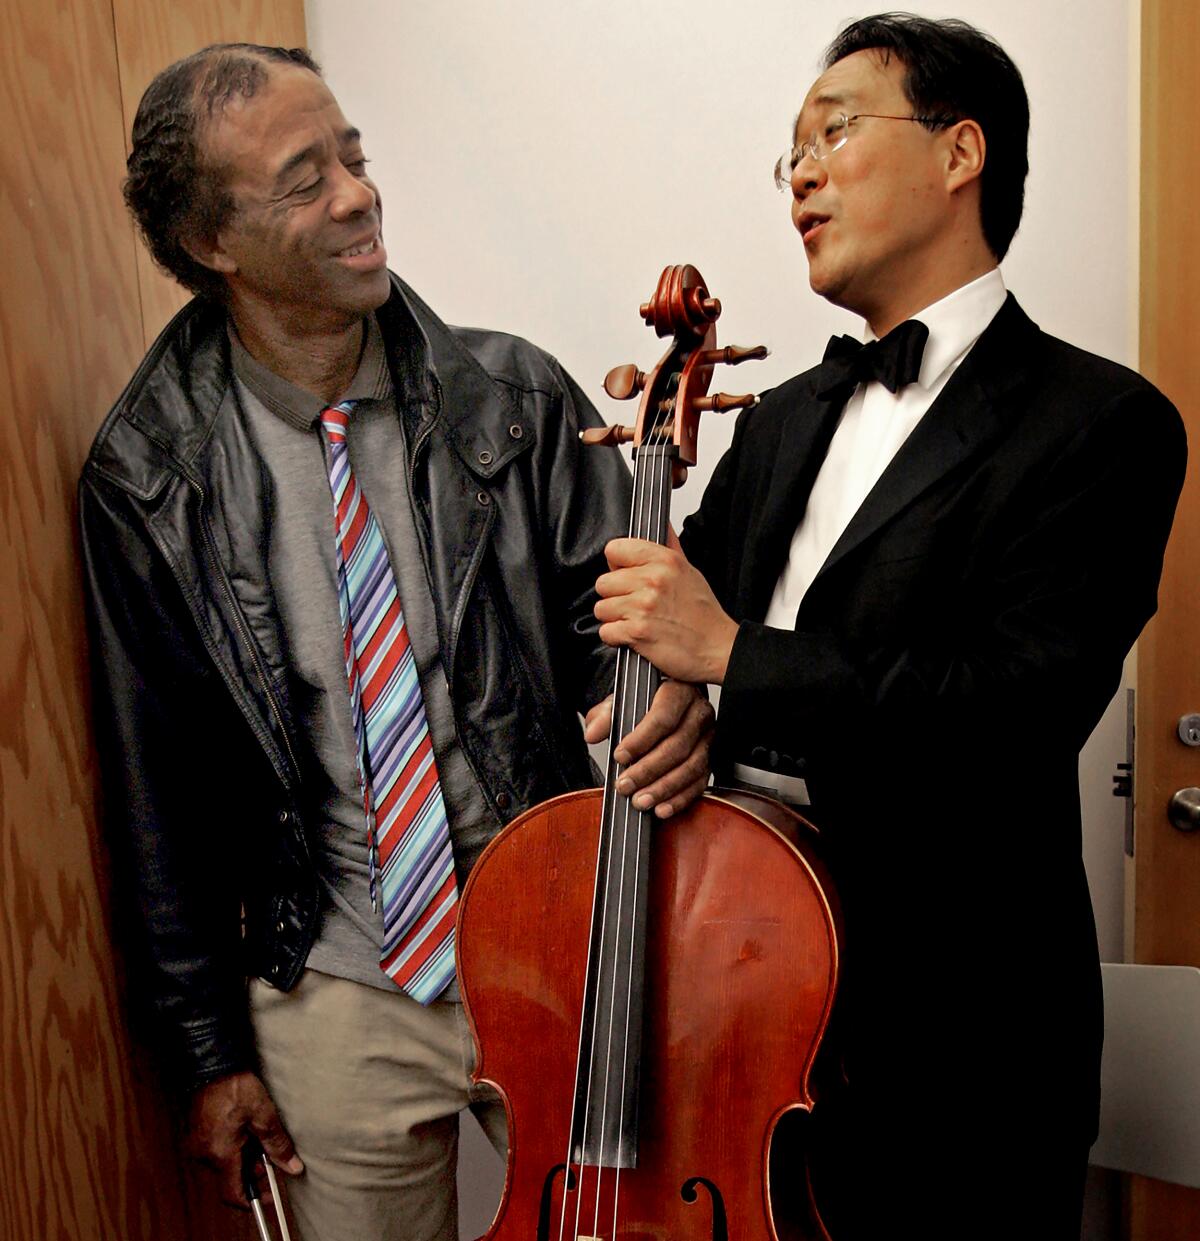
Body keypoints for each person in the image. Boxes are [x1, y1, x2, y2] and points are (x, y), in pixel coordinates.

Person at [79, 43, 711, 1241]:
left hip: (558, 938)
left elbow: (621, 638)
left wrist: (670, 696)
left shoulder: (516, 396)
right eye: (304, 179)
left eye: (354, 157)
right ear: (214, 244)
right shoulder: (143, 473)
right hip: (332, 988)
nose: (358, 195)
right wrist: (211, 1050)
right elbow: (150, 788)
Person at [593, 14, 1186, 1238]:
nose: (800, 174)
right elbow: (675, 641)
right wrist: (672, 708)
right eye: (787, 156)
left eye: (835, 131)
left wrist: (734, 660)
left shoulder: (1102, 422)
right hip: (736, 988)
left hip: (960, 1032)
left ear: (961, 152)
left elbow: (1017, 706)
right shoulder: (780, 420)